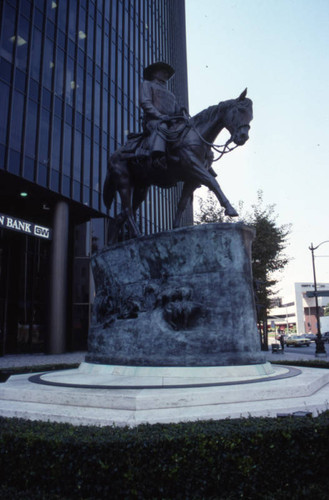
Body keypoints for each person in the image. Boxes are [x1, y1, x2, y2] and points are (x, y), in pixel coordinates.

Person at [138, 61, 181, 168]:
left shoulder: (171, 95)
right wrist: (160, 116)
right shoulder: (147, 84)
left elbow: (176, 110)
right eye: (163, 72)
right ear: (154, 73)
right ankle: (157, 157)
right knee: (162, 127)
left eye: (167, 73)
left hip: (170, 121)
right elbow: (145, 102)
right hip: (154, 121)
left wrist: (181, 114)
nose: (166, 75)